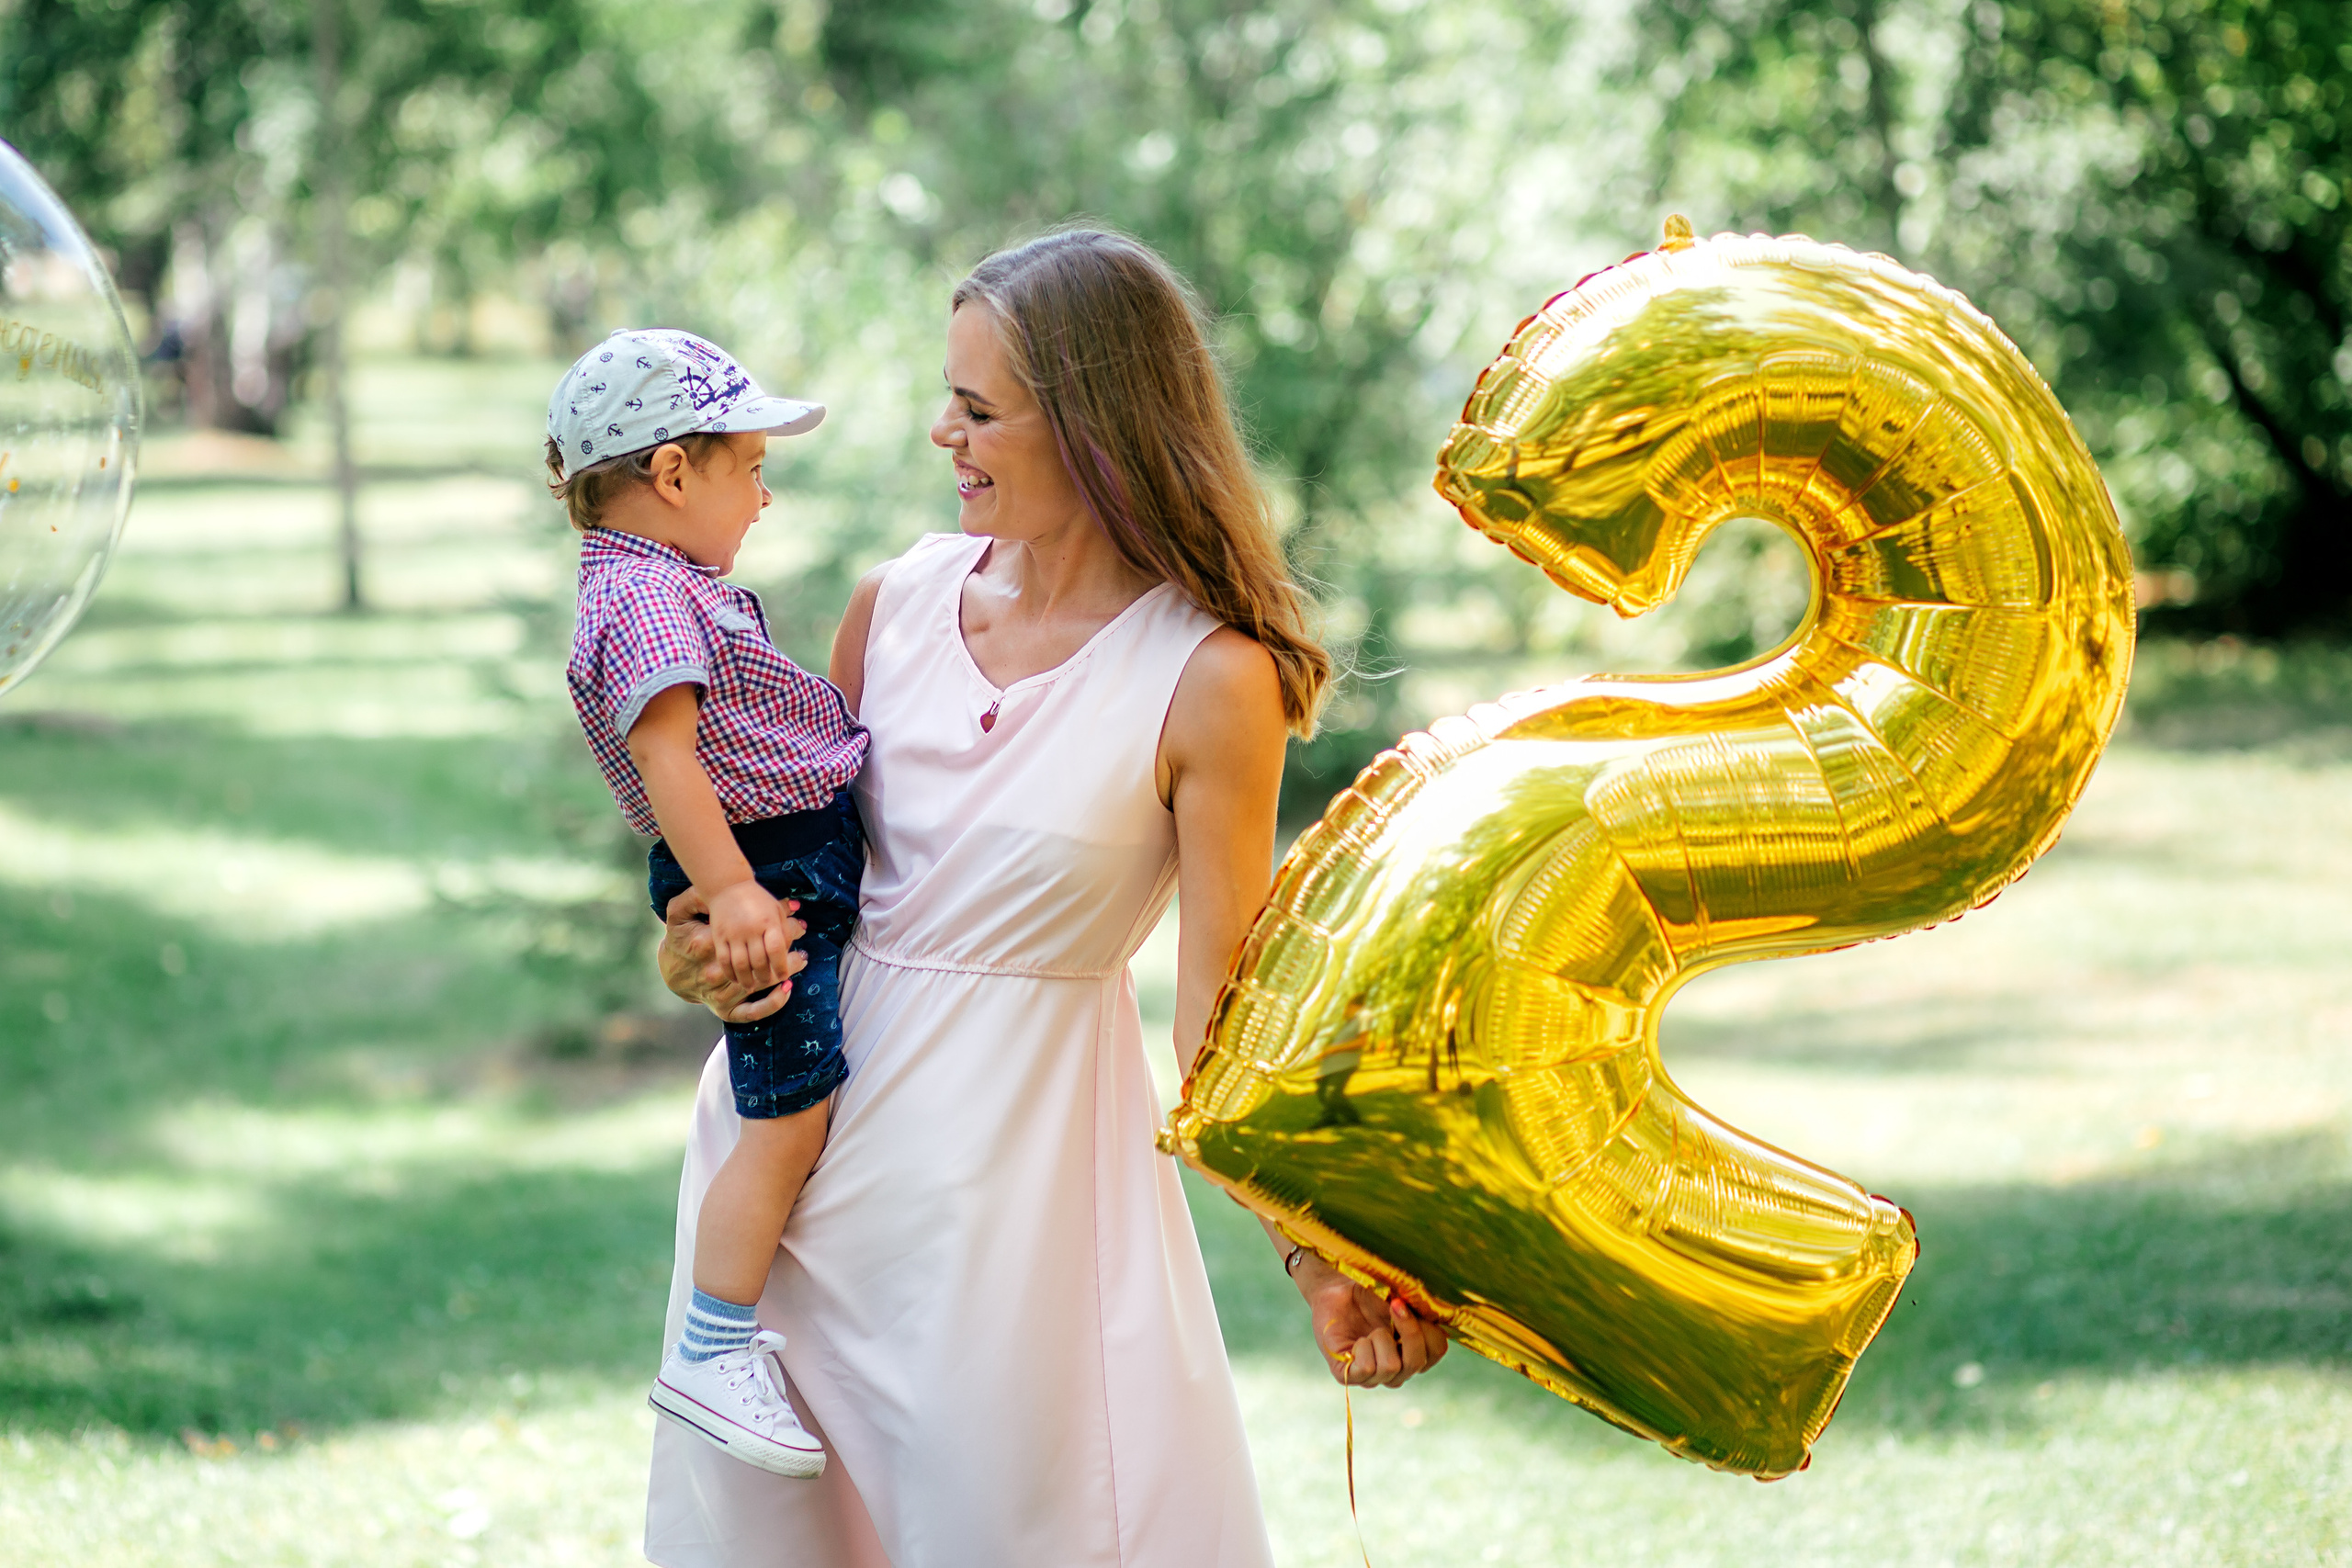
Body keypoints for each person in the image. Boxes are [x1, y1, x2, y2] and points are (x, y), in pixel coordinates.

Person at [643, 230, 1448, 1568]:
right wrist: (698, 951)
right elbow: (793, 879)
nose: (941, 431)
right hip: (788, 1176)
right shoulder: (888, 604)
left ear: (1092, 424)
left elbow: (1220, 1024)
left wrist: (1317, 1256)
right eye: (946, 396)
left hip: (1010, 1214)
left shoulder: (1209, 677)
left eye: (979, 408)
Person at [547, 328, 867, 1479]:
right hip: (761, 866)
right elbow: (669, 753)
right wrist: (732, 893)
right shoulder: (640, 595)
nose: (765, 495)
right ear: (673, 475)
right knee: (786, 1110)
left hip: (770, 859)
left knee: (797, 1102)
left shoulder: (663, 581)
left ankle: (720, 1336)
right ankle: (712, 1343)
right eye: (748, 465)